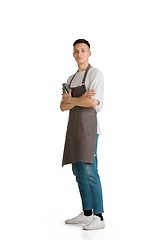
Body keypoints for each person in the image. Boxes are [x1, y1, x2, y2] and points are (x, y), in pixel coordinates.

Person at [60, 39, 105, 230]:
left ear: (89, 53)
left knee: (89, 171)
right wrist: (81, 98)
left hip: (88, 129)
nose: (79, 54)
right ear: (73, 54)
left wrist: (73, 100)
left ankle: (99, 216)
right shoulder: (70, 79)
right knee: (77, 171)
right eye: (76, 51)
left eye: (83, 50)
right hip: (73, 128)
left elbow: (93, 103)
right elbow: (62, 106)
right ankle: (86, 212)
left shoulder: (95, 74)